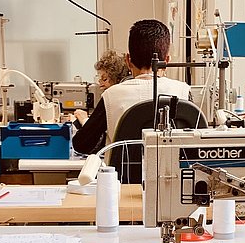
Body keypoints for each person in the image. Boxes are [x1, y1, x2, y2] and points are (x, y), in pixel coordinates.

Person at [71, 20, 191, 154]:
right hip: (171, 174)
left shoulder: (111, 95)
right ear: (166, 61)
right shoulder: (183, 92)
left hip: (121, 174)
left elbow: (81, 145)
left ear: (128, 60)